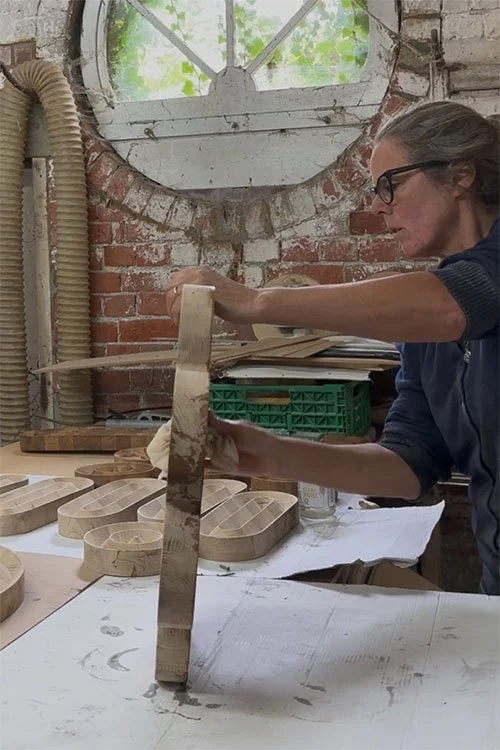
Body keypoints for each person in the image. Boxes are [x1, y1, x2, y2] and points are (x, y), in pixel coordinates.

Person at [165, 101, 499, 596]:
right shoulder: (423, 325)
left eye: (392, 185)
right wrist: (270, 455)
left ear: (460, 176)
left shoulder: (445, 301)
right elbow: (408, 465)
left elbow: (459, 304)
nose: (379, 206)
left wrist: (255, 301)